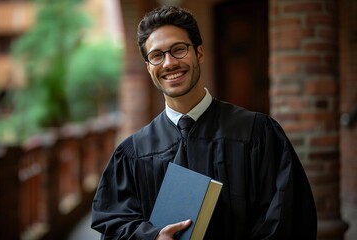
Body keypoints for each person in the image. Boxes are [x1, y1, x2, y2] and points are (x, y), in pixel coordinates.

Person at [91, 5, 317, 240]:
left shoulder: (256, 132)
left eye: (178, 50)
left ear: (199, 53)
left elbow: (288, 216)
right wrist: (152, 237)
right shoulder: (133, 153)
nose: (169, 63)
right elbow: (114, 224)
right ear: (149, 67)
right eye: (157, 56)